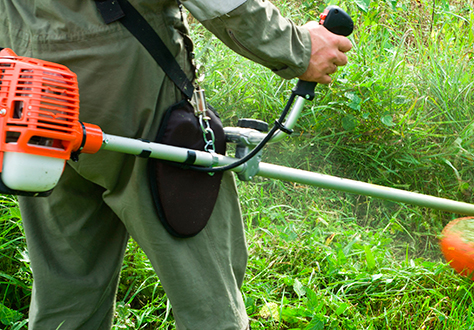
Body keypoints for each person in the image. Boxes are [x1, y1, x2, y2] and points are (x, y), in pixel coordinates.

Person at [0, 0, 352, 329]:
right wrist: (298, 47)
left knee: (67, 289)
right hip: (128, 81)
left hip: (31, 84)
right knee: (207, 289)